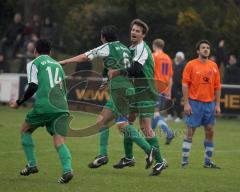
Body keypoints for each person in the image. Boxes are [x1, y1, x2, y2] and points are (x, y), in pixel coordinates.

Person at [59, 25, 157, 172]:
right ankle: (103, 155)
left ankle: (149, 149)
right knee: (102, 120)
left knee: (122, 124)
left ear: (103, 37)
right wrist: (107, 81)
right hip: (125, 87)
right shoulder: (125, 48)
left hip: (120, 89)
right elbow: (122, 66)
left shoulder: (107, 47)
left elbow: (86, 56)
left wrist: (66, 61)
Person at [9, 39, 73, 183]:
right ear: (50, 52)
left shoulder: (34, 63)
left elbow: (32, 86)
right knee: (59, 141)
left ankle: (32, 164)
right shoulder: (58, 65)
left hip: (45, 106)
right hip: (62, 106)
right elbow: (63, 88)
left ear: (35, 51)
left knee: (25, 130)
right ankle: (67, 170)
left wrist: (19, 102)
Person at [112, 19, 167, 176]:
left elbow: (135, 70)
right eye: (133, 30)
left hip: (146, 90)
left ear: (143, 35)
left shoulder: (142, 48)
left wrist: (118, 72)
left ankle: (160, 161)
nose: (134, 32)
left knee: (145, 127)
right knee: (127, 123)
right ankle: (129, 157)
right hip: (135, 91)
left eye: (138, 31)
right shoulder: (131, 48)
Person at [181, 40, 221, 168]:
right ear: (198, 51)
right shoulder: (191, 65)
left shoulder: (214, 66)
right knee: (190, 132)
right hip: (195, 103)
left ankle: (208, 162)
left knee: (210, 130)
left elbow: (217, 86)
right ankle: (184, 161)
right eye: (203, 48)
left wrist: (217, 104)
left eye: (208, 48)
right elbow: (185, 84)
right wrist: (186, 103)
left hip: (209, 104)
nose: (206, 50)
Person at [151, 38, 175, 144]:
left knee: (155, 113)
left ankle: (168, 132)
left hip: (155, 87)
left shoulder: (154, 56)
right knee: (154, 113)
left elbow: (149, 72)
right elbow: (170, 77)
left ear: (154, 45)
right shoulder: (168, 58)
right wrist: (169, 91)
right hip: (164, 88)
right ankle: (149, 136)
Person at [171, 51, 186, 122]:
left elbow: (184, 77)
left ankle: (179, 116)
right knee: (170, 100)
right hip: (173, 85)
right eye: (177, 57)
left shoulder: (184, 65)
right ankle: (170, 114)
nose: (178, 58)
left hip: (180, 86)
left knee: (178, 101)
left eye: (179, 57)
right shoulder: (173, 63)